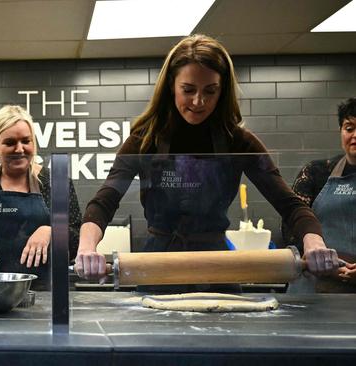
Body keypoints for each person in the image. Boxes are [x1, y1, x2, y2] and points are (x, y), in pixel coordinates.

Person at [75, 34, 341, 291]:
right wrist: (87, 248)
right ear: (171, 85)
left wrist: (314, 242)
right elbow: (104, 202)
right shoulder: (145, 142)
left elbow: (290, 205)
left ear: (222, 91)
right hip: (158, 266)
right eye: (188, 90)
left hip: (217, 267)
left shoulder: (239, 143)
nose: (198, 101)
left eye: (210, 91)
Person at [0, 105, 81, 288]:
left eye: (26, 141)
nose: (19, 149)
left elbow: (78, 241)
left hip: (48, 293)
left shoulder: (55, 181)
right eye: (10, 143)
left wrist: (51, 231)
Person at [284, 97, 356, 292]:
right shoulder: (316, 172)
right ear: (341, 131)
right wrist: (318, 260)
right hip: (314, 287)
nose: (354, 135)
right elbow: (291, 225)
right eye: (349, 128)